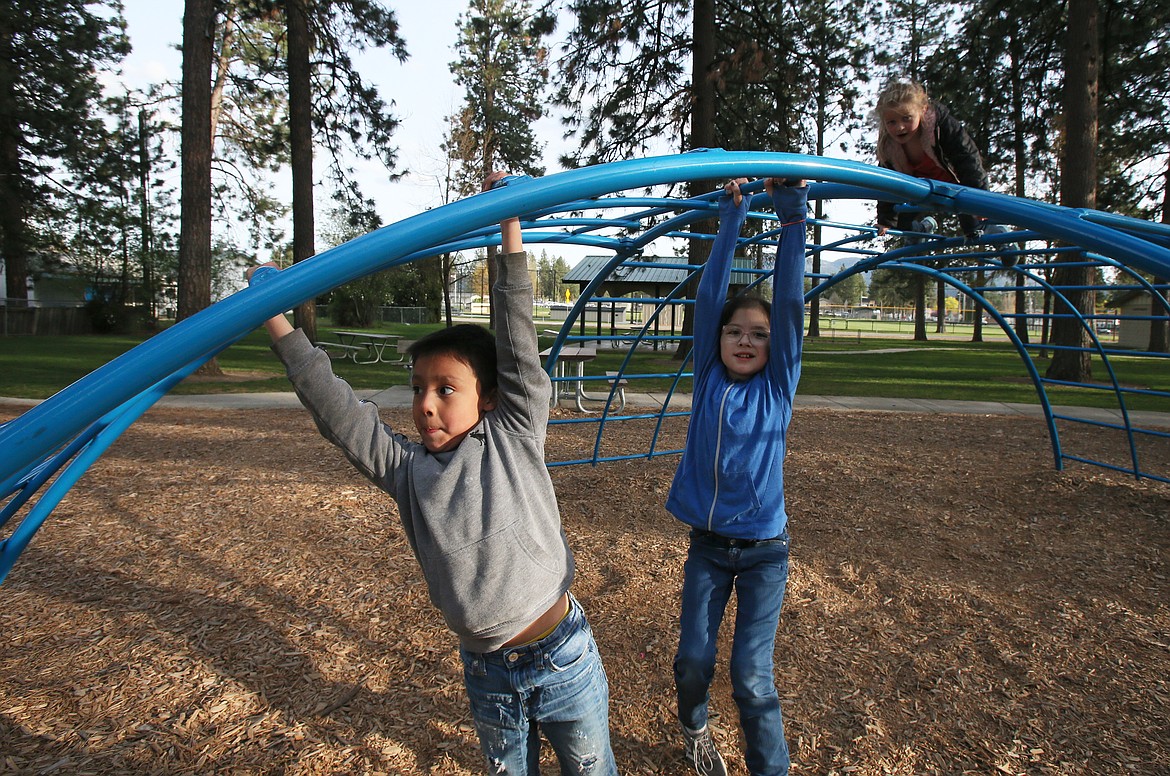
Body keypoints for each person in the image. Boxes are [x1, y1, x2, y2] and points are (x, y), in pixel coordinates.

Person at [246, 171, 618, 775]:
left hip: (562, 655)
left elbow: (518, 341)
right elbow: (339, 413)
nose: (426, 404)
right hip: (487, 670)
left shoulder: (514, 435)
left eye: (447, 389)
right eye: (420, 388)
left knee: (591, 768)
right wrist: (277, 323)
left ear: (489, 397)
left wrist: (509, 223)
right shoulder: (407, 471)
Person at [666, 177, 808, 776]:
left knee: (751, 675)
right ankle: (696, 727)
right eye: (734, 331)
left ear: (773, 346)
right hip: (708, 547)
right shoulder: (708, 378)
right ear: (717, 340)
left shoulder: (778, 386)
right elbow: (708, 297)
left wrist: (792, 218)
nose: (744, 340)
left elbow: (793, 303)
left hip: (763, 552)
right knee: (694, 660)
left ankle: (768, 770)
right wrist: (731, 216)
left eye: (757, 333)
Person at [872, 79, 993, 241]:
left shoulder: (940, 127)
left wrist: (980, 201)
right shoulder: (889, 146)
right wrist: (885, 220)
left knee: (974, 228)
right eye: (891, 122)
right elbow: (888, 183)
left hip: (955, 186)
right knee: (899, 224)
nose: (899, 127)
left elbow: (968, 159)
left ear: (922, 110)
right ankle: (922, 229)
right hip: (921, 189)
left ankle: (999, 235)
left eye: (906, 118)